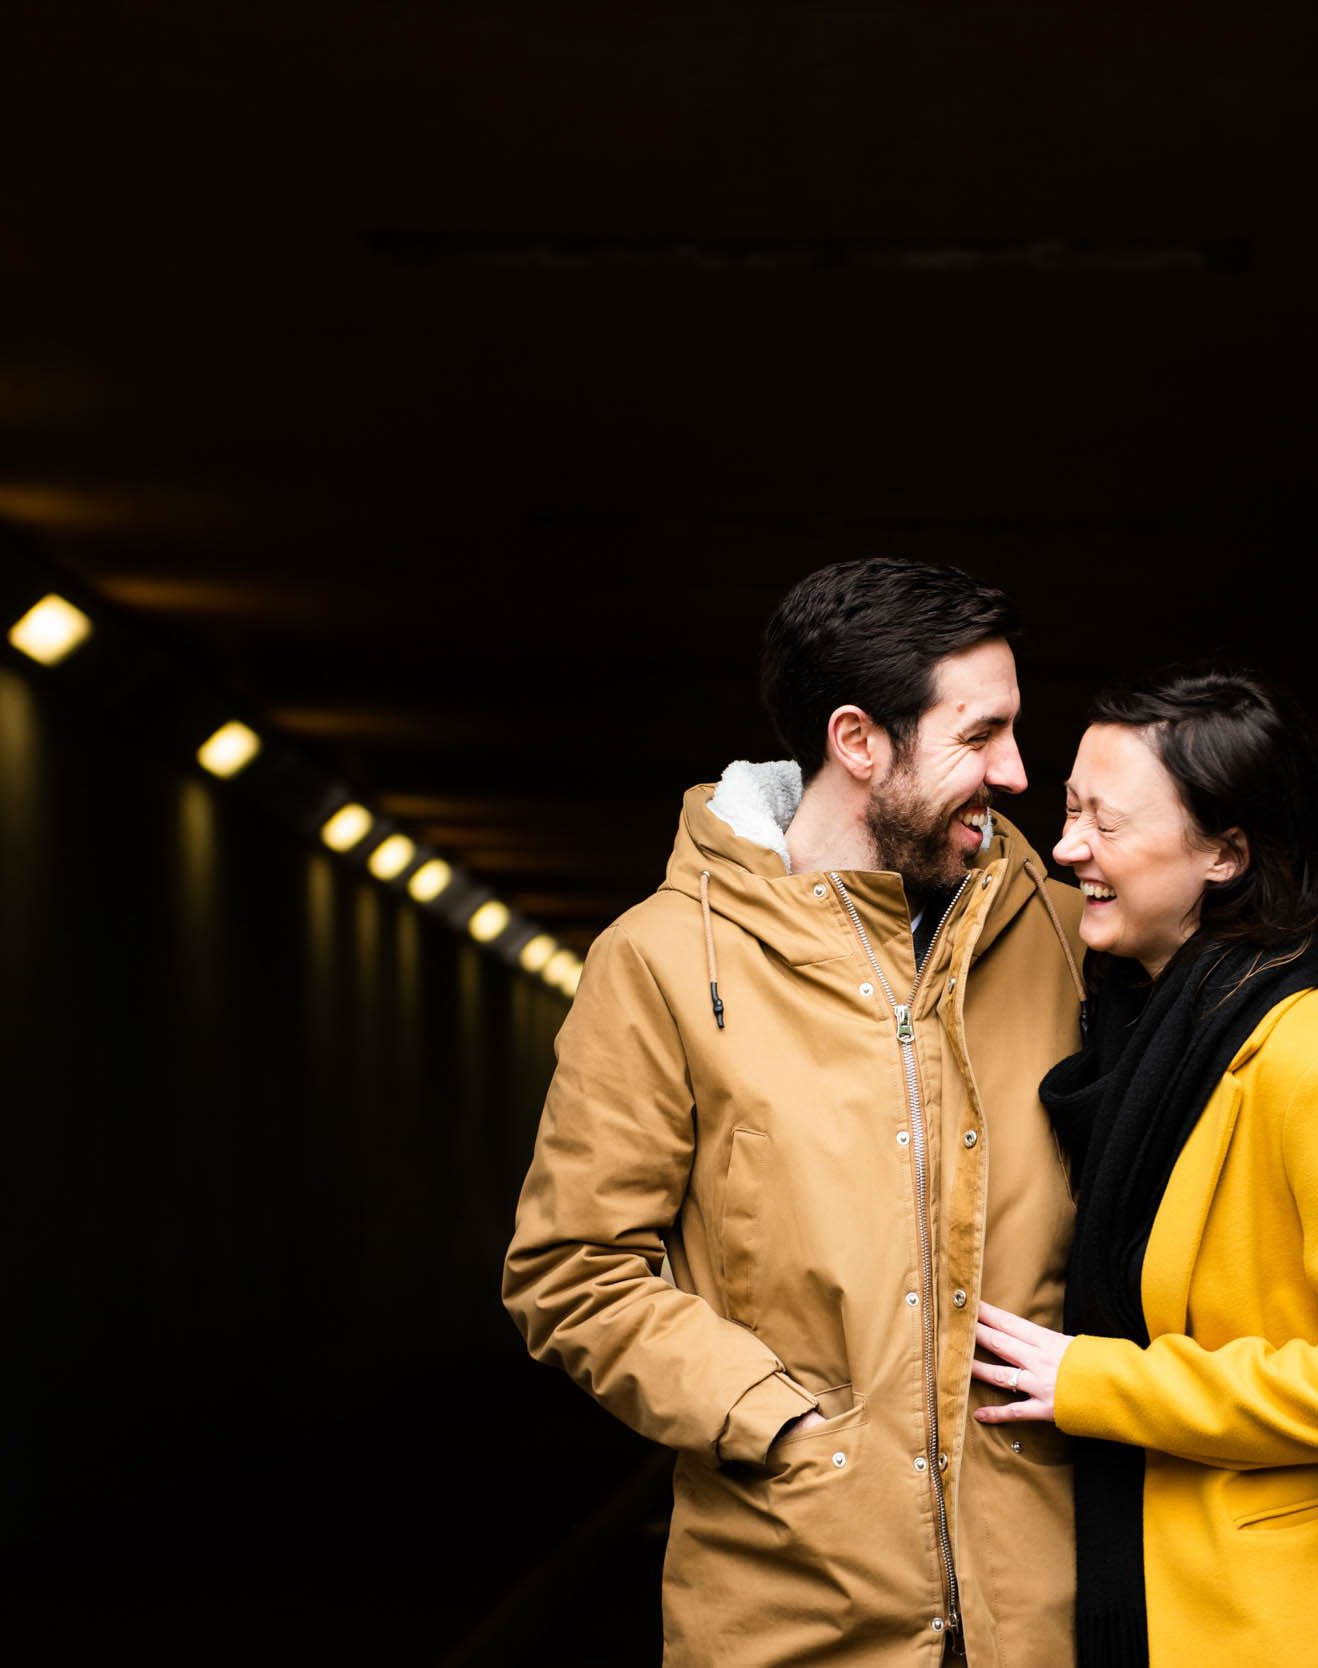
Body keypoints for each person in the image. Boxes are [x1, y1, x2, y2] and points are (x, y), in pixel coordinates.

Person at [502, 558, 1089, 1665]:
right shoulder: (663, 960)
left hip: (1045, 1603)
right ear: (858, 742)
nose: (1017, 772)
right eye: (979, 735)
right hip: (790, 1611)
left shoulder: (1067, 936)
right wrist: (774, 1419)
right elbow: (571, 1267)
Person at [969, 663, 1318, 1668]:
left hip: (1300, 1626)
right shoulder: (1131, 1037)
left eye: (1104, 823)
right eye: (1069, 810)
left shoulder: (1312, 1049)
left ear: (1225, 853)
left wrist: (1100, 1382)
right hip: (1174, 1600)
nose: (1067, 850)